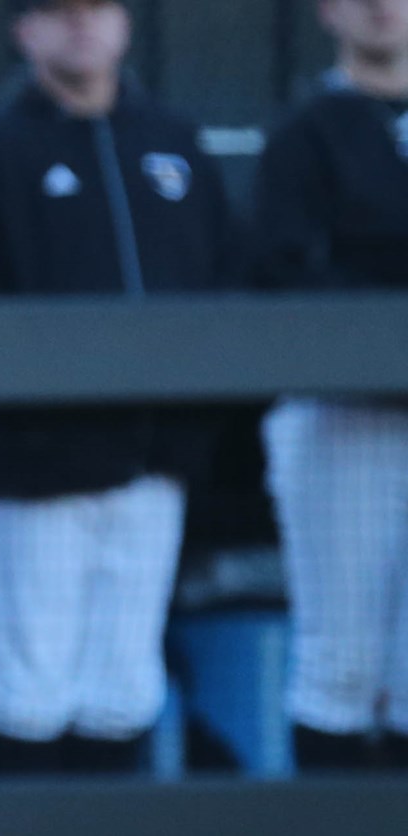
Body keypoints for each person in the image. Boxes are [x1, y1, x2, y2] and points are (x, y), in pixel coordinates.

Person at [0, 0, 239, 774]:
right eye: (58, 12)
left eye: (97, 9)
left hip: (154, 467)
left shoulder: (175, 143)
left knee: (124, 690)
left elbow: (227, 288)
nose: (81, 27)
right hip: (39, 477)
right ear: (23, 29)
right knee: (30, 691)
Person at [252, 0, 408, 773]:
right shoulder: (305, 132)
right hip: (345, 417)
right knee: (342, 664)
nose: (383, 7)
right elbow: (286, 270)